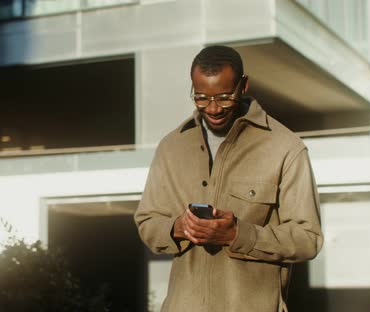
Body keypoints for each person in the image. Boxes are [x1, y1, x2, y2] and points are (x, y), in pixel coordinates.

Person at [134, 45, 323, 312]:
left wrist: (238, 234)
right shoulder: (170, 147)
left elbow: (308, 238)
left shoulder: (286, 148)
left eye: (223, 97)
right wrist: (180, 227)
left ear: (243, 85)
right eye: (201, 98)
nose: (213, 108)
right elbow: (147, 221)